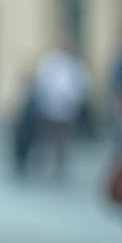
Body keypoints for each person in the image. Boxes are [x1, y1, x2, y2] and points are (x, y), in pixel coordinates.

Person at [31, 37, 89, 178]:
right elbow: (41, 82)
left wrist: (73, 100)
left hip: (66, 110)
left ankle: (59, 166)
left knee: (62, 140)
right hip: (50, 109)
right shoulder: (50, 62)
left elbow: (81, 85)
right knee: (46, 138)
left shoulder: (73, 65)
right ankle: (43, 162)